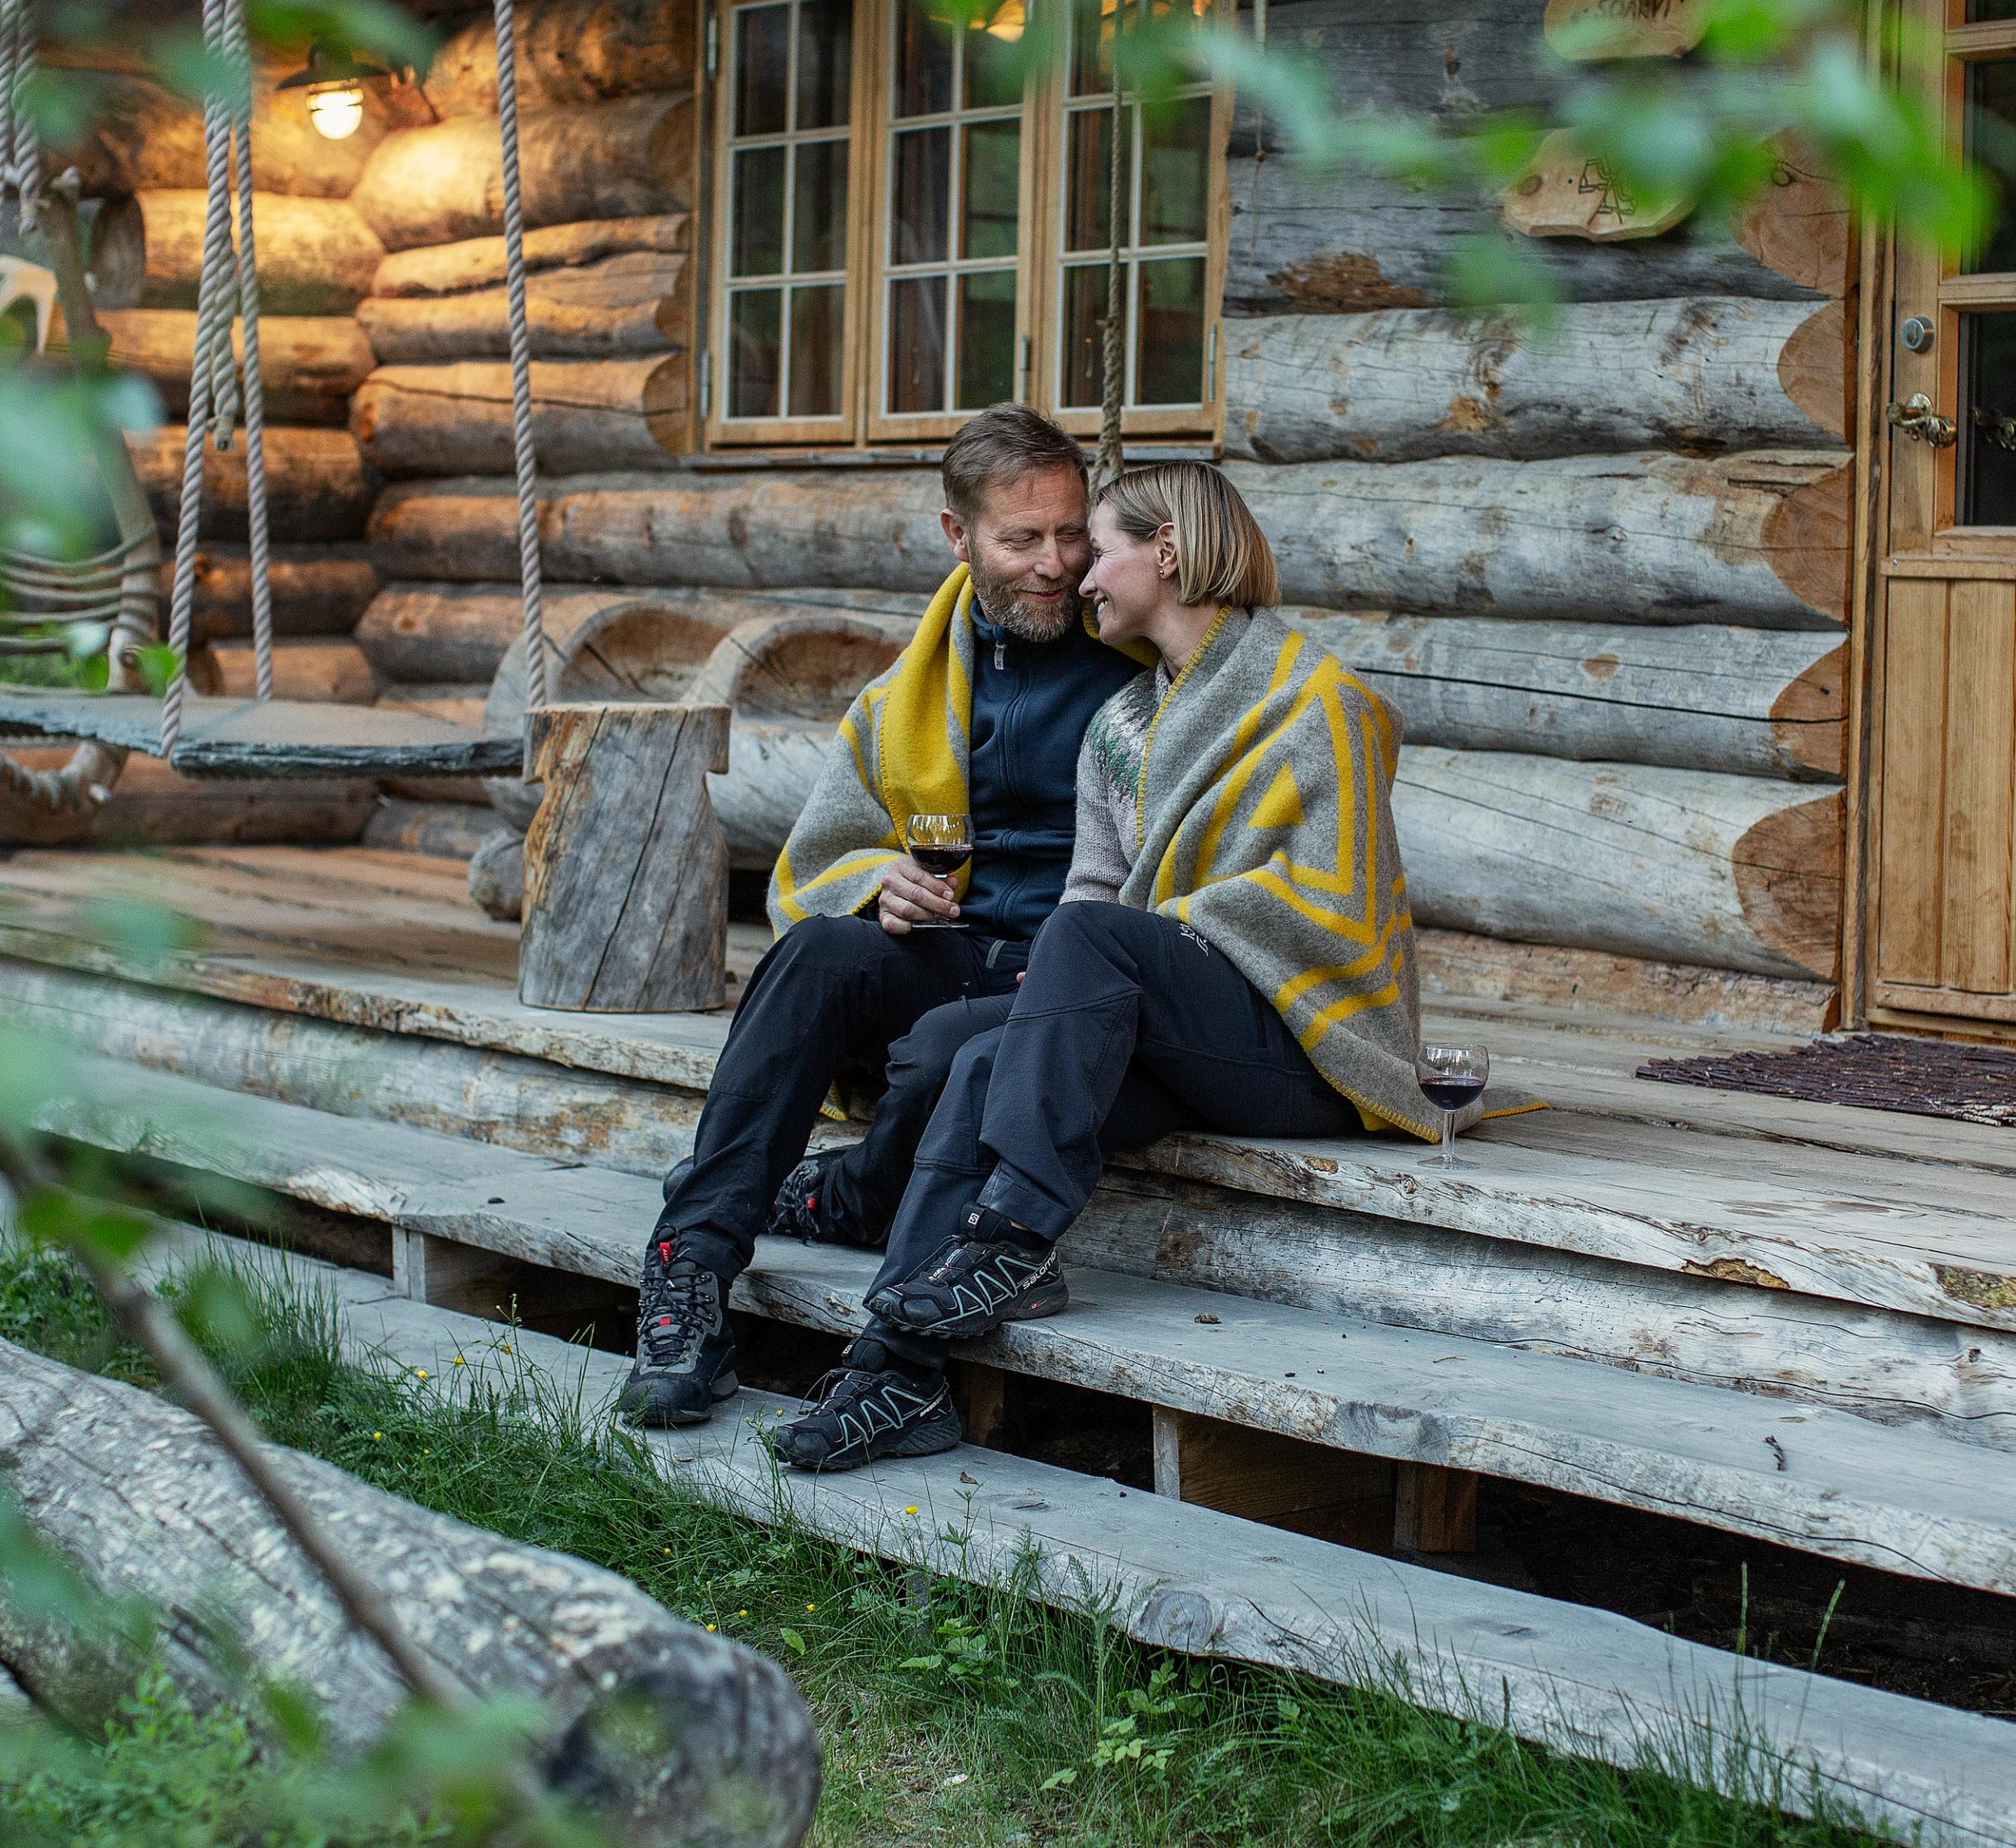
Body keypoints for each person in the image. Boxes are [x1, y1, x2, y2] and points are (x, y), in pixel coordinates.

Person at [771, 460, 1444, 1472]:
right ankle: (893, 1372)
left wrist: (1148, 940)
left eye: (1101, 548)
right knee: (972, 1053)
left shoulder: (1318, 700)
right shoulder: (1119, 727)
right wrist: (1088, 976)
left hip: (1304, 1047)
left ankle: (1011, 1240)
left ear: (1167, 551)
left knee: (1088, 942)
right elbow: (1094, 901)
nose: (1080, 574)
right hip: (1175, 1031)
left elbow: (1340, 907)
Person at [617, 405, 1148, 1426]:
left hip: (1072, 975)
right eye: (1022, 538)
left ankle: (856, 1198)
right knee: (819, 950)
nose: (1055, 562)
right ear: (959, 538)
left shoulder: (1135, 665)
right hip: (953, 952)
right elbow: (815, 858)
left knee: (944, 1057)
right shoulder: (913, 688)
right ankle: (689, 1273)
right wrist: (875, 881)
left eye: (1072, 532)